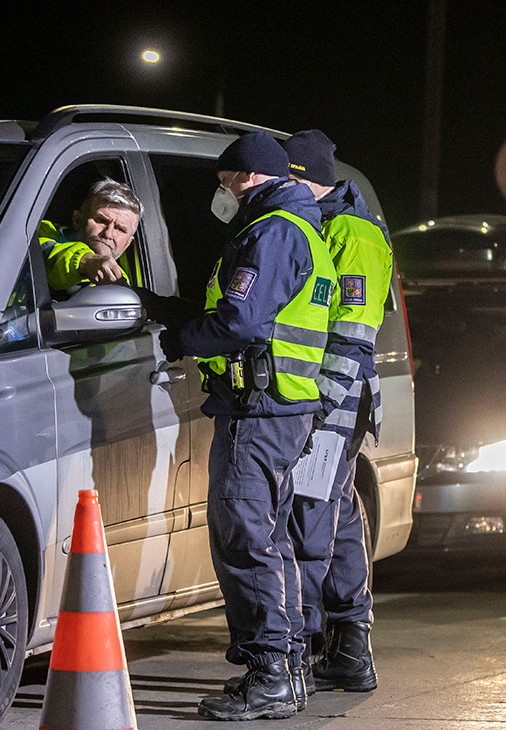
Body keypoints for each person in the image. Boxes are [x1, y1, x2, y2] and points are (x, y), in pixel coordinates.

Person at [154, 131, 336, 721]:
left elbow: (239, 320)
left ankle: (270, 677)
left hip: (260, 411)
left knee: (244, 541)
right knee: (270, 540)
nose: (222, 192)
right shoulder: (302, 227)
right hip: (283, 408)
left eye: (225, 181)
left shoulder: (274, 231)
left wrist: (181, 338)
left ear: (249, 177)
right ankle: (286, 669)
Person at [281, 129, 392, 696]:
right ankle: (349, 648)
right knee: (339, 512)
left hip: (334, 398)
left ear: (301, 176)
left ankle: (302, 649)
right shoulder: (334, 223)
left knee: (309, 516)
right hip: (334, 396)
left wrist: (319, 401)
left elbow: (352, 330)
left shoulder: (352, 231)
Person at [37, 178, 142, 291]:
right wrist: (85, 261)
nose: (108, 234)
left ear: (127, 243)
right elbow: (39, 257)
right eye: (101, 220)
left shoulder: (119, 282)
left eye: (120, 229)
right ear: (77, 220)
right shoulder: (38, 232)